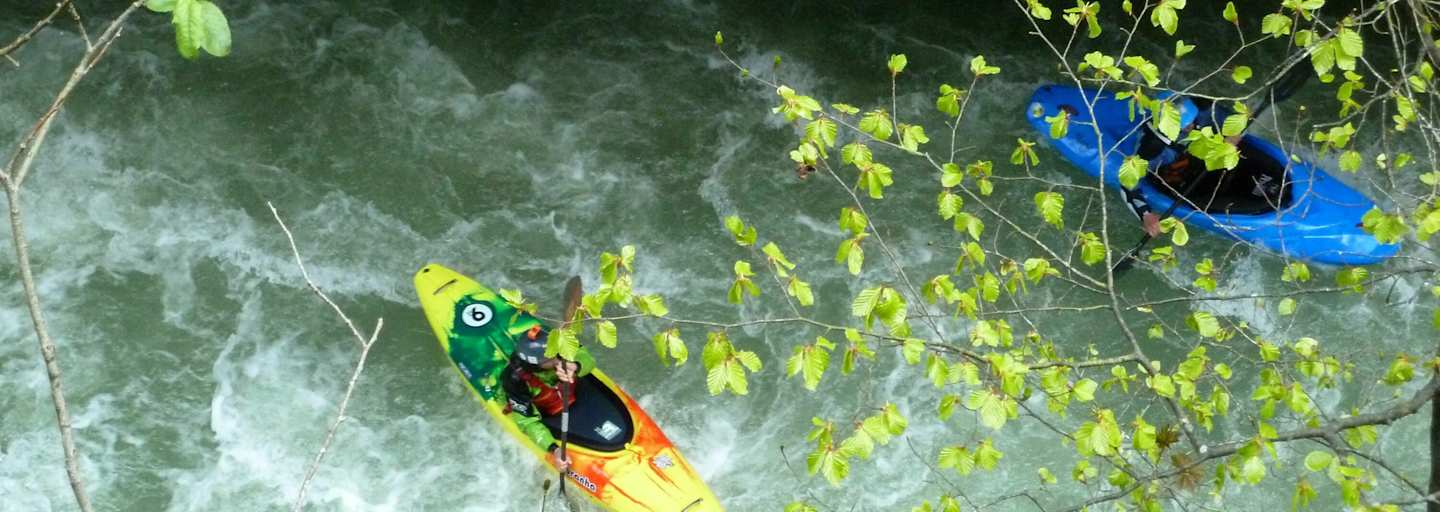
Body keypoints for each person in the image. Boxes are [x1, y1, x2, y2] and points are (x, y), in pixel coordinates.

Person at [1125, 95, 1243, 236]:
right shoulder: (1152, 147)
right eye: (1184, 126)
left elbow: (1234, 121)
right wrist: (1145, 214)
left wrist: (1234, 134)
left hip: (1200, 150)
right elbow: (1127, 184)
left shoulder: (1203, 107)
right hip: (1172, 168)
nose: (1190, 127)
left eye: (1191, 122)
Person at [501, 325, 595, 472]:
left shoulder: (559, 343)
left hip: (572, 396)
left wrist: (576, 366)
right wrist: (554, 449)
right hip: (548, 411)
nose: (559, 360)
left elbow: (585, 356)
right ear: (536, 363)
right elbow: (527, 422)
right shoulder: (515, 379)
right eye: (551, 359)